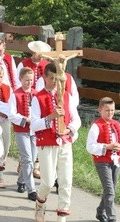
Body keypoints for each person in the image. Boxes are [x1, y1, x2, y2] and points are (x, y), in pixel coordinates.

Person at [30, 63, 82, 222]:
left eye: (57, 79)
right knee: (48, 181)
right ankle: (40, 204)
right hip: (46, 143)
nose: (54, 82)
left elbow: (76, 119)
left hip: (64, 142)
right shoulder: (38, 98)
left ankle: (62, 216)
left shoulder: (66, 96)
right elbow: (33, 124)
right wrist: (50, 117)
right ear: (44, 78)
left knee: (66, 180)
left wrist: (69, 129)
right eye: (51, 78)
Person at [86, 97, 120, 222]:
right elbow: (90, 146)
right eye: (107, 110)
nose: (110, 113)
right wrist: (107, 147)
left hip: (116, 161)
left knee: (111, 189)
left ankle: (100, 211)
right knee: (110, 191)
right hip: (102, 162)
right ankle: (112, 218)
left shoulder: (117, 124)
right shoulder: (96, 126)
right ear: (100, 110)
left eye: (112, 110)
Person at [8, 67, 38, 201]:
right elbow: (12, 114)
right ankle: (31, 189)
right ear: (20, 79)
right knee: (27, 159)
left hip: (34, 131)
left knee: (31, 159)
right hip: (22, 131)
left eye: (31, 80)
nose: (29, 82)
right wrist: (25, 119)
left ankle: (21, 180)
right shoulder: (15, 94)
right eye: (26, 80)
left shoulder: (36, 94)